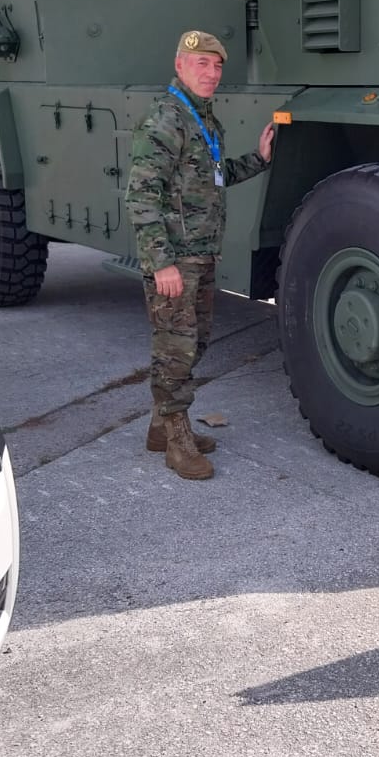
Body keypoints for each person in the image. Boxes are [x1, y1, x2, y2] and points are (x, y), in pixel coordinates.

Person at [124, 30, 275, 480]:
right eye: (201, 64)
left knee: (195, 343)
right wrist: (161, 262)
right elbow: (141, 194)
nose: (211, 73)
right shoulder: (165, 120)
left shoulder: (203, 120)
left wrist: (259, 158)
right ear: (180, 67)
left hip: (201, 254)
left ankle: (158, 428)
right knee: (175, 349)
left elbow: (214, 176)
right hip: (176, 260)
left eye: (217, 66)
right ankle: (177, 440)